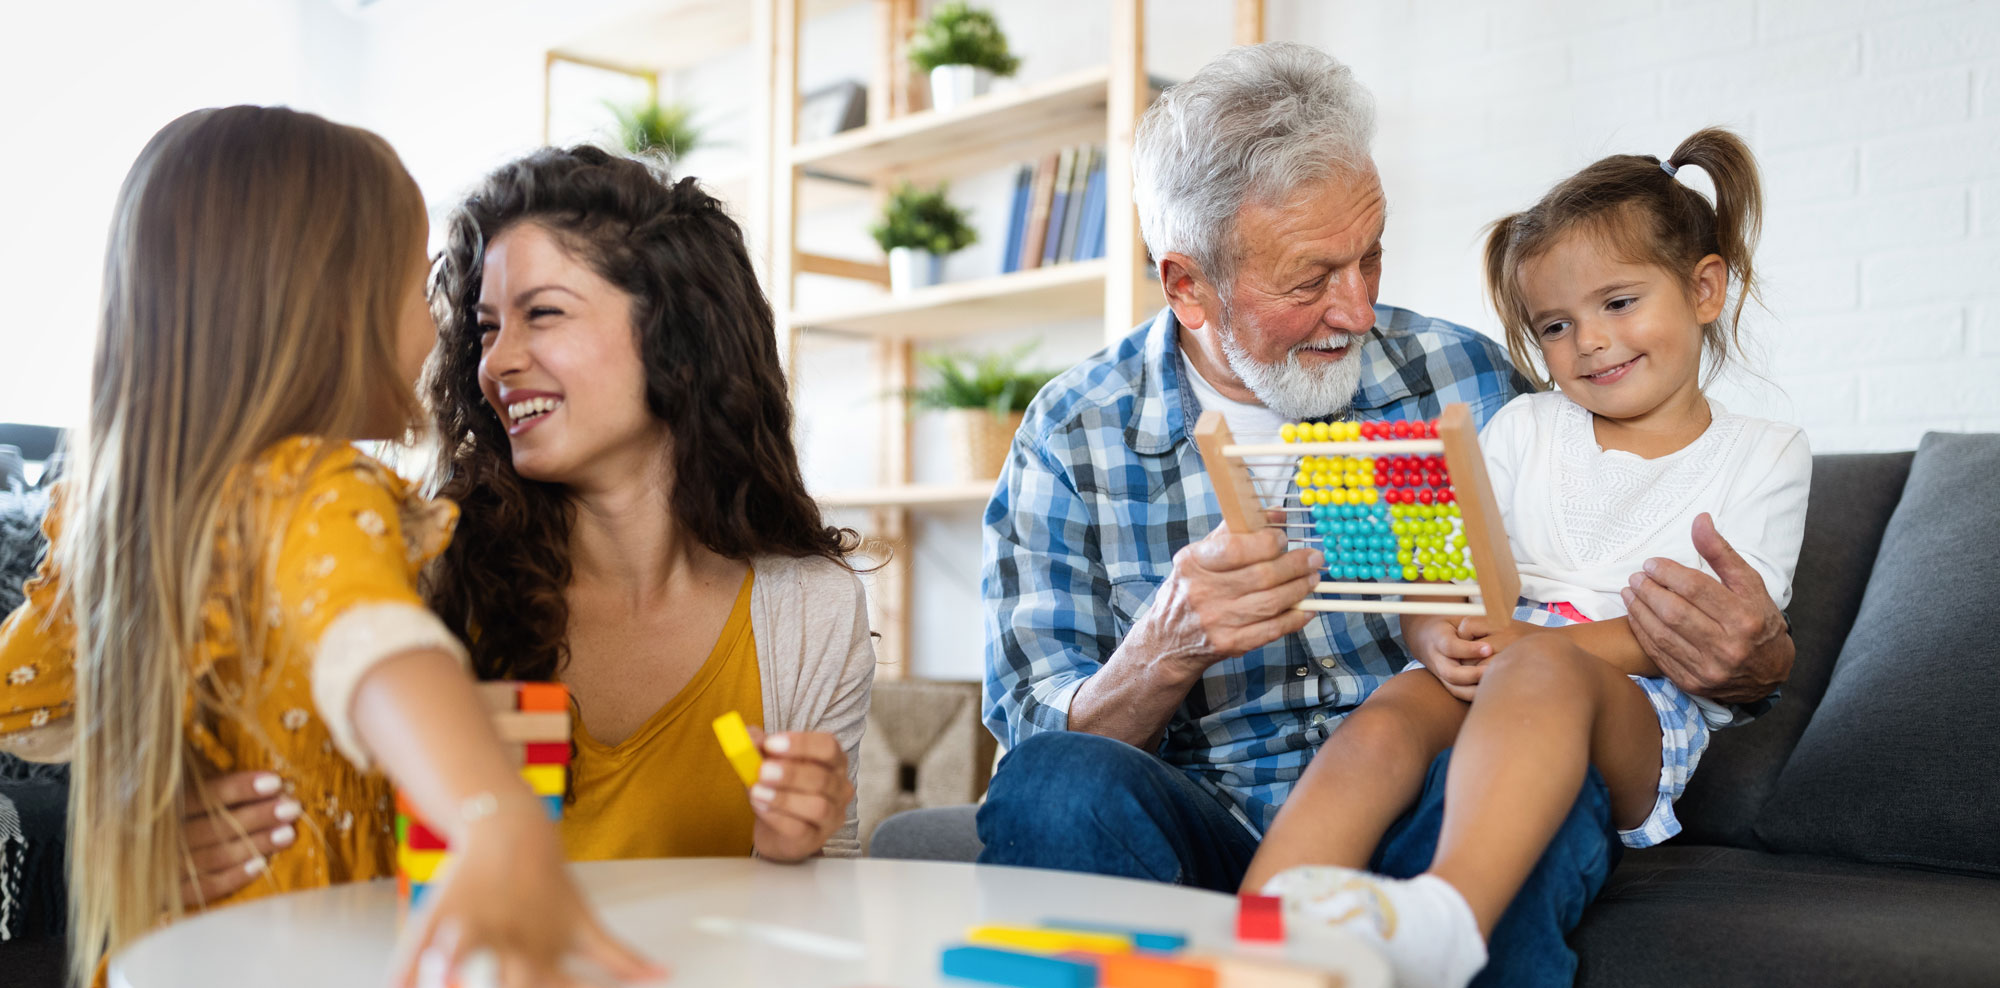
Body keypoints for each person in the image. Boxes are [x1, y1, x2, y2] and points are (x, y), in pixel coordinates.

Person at [977, 43, 1798, 986]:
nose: (1359, 310)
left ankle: (1413, 928)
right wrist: (1166, 649)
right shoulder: (1073, 432)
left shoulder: (1469, 379)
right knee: (1051, 784)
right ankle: (1266, 939)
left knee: (1543, 770)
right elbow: (1032, 723)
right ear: (1186, 285)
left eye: (1370, 257)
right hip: (1205, 826)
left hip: (1434, 825)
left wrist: (1755, 658)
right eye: (1309, 281)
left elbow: (1597, 553)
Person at [0, 107, 656, 987]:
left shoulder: (128, 521)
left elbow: (28, 702)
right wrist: (494, 821)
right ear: (332, 311)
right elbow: (378, 650)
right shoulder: (315, 488)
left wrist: (141, 806)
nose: (443, 335)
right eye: (417, 289)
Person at [1244, 128, 1809, 988]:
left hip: (1634, 710)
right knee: (1388, 717)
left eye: (1618, 303)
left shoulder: (1764, 453)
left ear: (1704, 288)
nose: (1590, 341)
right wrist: (1436, 631)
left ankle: (1450, 915)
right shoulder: (1526, 427)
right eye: (1556, 324)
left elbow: (1704, 633)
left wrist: (1539, 651)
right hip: (1502, 658)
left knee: (1542, 667)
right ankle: (1256, 926)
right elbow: (1453, 564)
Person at [423, 146, 874, 863]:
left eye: (542, 313)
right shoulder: (440, 581)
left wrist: (796, 854)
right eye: (485, 327)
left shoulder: (810, 611)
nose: (497, 362)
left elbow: (827, 905)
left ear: (676, 338)